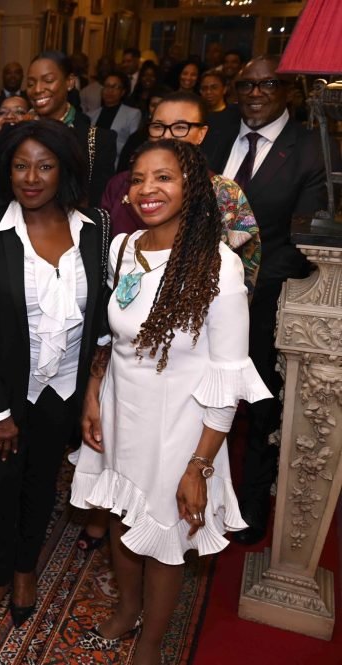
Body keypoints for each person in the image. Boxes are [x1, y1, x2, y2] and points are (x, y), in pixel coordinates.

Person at [70, 138, 270, 665]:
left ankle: (152, 643)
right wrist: (93, 395)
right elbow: (113, 338)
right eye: (138, 178)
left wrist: (200, 465)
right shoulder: (123, 248)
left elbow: (228, 378)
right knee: (120, 515)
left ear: (191, 187)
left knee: (163, 534)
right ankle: (127, 610)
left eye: (163, 177)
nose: (147, 189)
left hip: (181, 425)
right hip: (121, 409)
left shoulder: (219, 266)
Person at [0, 119, 110, 630]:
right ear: (7, 170)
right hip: (2, 394)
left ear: (63, 170)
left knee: (42, 483)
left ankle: (26, 569)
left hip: (62, 391)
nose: (31, 177)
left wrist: (91, 393)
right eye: (21, 165)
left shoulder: (94, 230)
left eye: (44, 166)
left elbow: (101, 318)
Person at [201, 56, 329, 545]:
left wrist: (238, 288)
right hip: (195, 294)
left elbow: (300, 241)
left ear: (288, 90)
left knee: (258, 405)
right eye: (246, 85)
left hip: (264, 301)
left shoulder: (312, 149)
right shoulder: (215, 133)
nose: (255, 94)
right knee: (198, 395)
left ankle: (250, 501)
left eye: (268, 84)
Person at [101, 92, 261, 294]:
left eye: (179, 127)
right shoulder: (122, 184)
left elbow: (245, 271)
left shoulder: (223, 192)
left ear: (201, 133)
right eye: (158, 127)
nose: (166, 136)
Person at [26, 51, 116, 206]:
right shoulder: (19, 133)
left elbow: (98, 204)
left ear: (69, 82)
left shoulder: (98, 140)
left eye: (48, 80)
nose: (37, 89)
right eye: (30, 84)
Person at [88, 72, 141, 164]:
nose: (109, 90)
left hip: (117, 164)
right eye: (106, 86)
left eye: (115, 87)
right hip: (92, 164)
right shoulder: (91, 115)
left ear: (122, 92)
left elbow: (133, 145)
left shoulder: (132, 114)